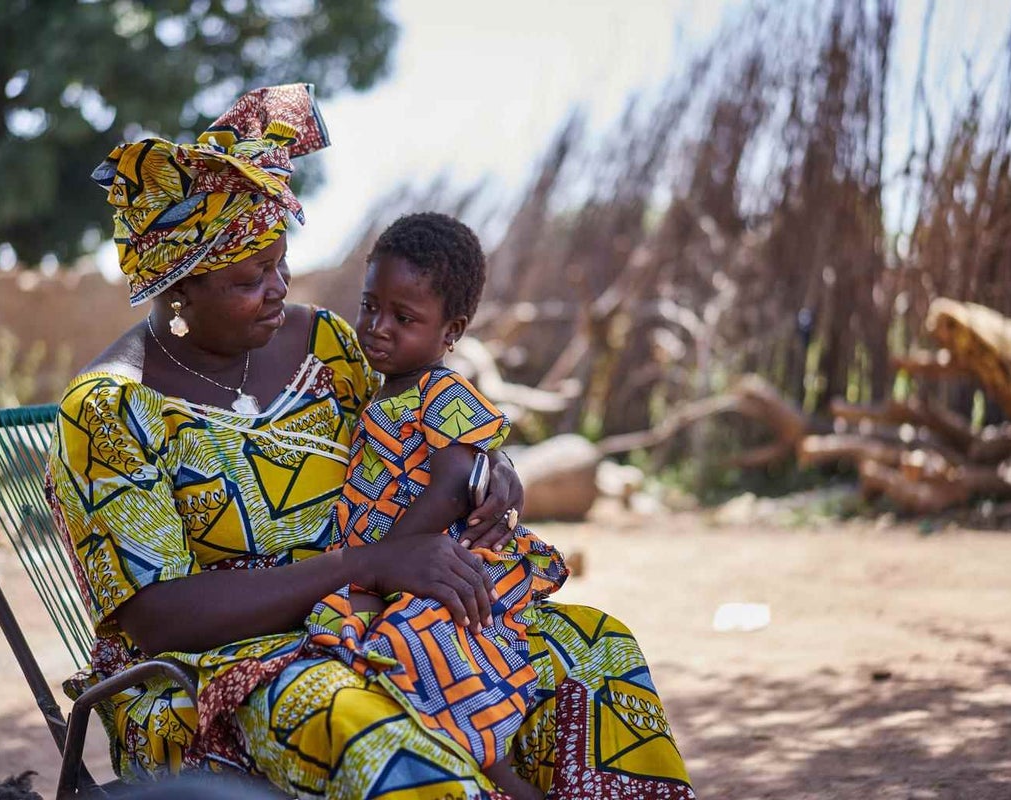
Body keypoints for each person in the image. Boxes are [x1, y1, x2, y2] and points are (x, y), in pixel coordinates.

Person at [47, 83, 695, 799]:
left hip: (374, 623)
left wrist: (489, 467)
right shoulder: (112, 409)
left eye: (280, 263)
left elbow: (416, 429)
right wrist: (378, 563)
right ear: (179, 290)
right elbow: (164, 619)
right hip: (210, 680)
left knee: (594, 648)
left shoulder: (323, 344)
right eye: (249, 278)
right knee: (381, 739)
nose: (278, 288)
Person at [306, 213, 569, 800]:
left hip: (434, 566)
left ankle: (501, 780)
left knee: (416, 646)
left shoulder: (441, 392)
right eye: (370, 305)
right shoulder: (379, 389)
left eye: (404, 319)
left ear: (451, 331)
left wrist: (381, 561)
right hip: (393, 564)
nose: (377, 328)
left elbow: (453, 485)